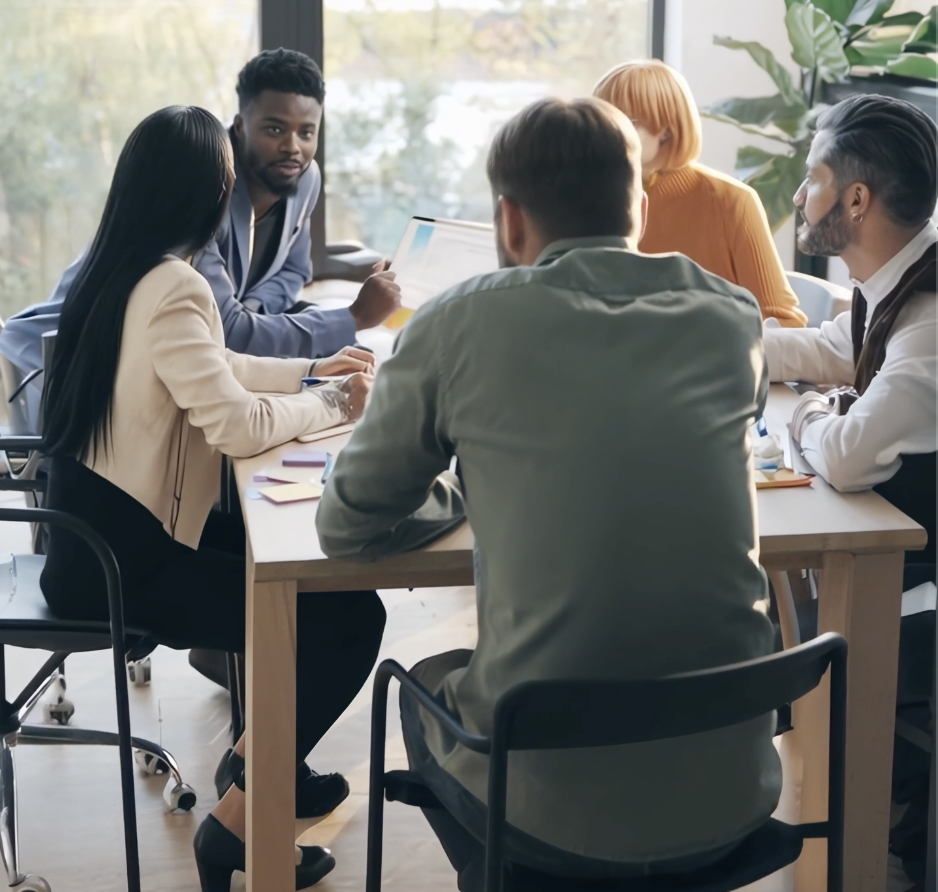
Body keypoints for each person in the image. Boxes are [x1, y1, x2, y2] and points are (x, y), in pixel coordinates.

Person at [316, 97, 781, 888]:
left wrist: (467, 488)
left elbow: (347, 523)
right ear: (638, 208)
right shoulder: (731, 317)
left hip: (550, 804)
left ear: (509, 219)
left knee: (426, 682)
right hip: (732, 788)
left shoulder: (461, 322)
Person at [38, 104, 386, 891]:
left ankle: (268, 765)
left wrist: (309, 374)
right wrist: (335, 407)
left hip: (91, 544)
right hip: (127, 565)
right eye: (225, 183)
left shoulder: (115, 268)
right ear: (197, 194)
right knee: (346, 614)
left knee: (301, 587)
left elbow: (215, 364)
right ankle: (239, 816)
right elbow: (233, 422)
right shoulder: (173, 284)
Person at [0, 47, 401, 433]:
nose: (292, 147)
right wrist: (352, 319)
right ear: (240, 126)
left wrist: (255, 311)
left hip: (160, 366)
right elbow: (227, 332)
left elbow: (294, 270)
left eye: (307, 132)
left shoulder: (304, 177)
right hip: (70, 371)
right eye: (275, 128)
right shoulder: (204, 189)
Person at [762, 94, 936, 883]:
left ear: (856, 199)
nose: (800, 197)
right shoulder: (890, 285)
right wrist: (713, 335)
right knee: (780, 596)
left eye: (811, 179)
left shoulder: (929, 321)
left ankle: (865, 830)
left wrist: (804, 420)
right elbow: (831, 349)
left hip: (919, 596)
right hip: (902, 572)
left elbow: (848, 455)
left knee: (775, 609)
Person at [593, 58, 807, 327]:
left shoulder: (732, 202)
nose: (605, 135)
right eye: (601, 121)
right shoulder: (593, 199)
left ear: (666, 130)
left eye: (625, 122)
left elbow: (783, 321)